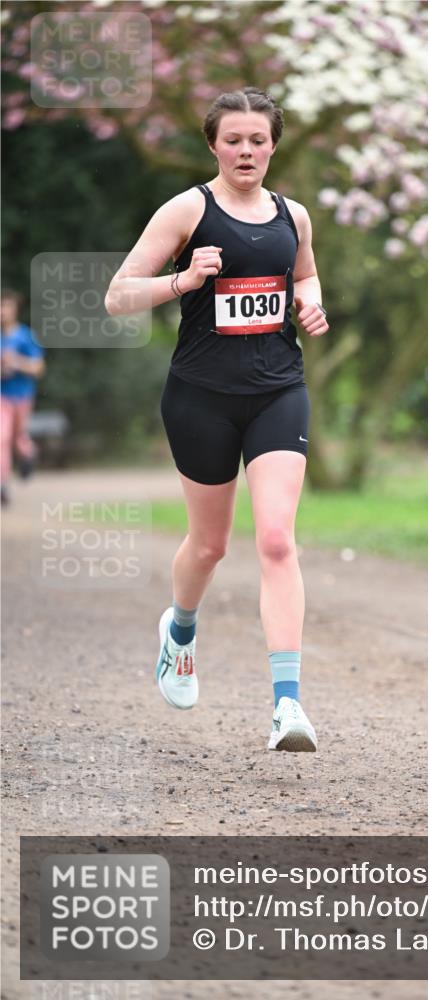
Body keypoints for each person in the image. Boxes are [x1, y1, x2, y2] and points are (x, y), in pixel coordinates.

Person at [105, 87, 328, 752]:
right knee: (208, 547)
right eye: (233, 140)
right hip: (200, 397)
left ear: (272, 146)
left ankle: (287, 706)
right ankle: (179, 630)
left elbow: (306, 278)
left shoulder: (295, 215)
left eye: (257, 140)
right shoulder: (187, 210)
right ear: (213, 145)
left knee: (277, 541)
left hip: (276, 392)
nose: (246, 151)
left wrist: (310, 307)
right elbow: (117, 296)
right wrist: (182, 281)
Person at [1, 289, 45, 505]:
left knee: (18, 437)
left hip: (23, 395)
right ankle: (2, 484)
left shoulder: (25, 336)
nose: (2, 312)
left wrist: (16, 362)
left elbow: (38, 368)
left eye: (5, 306)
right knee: (2, 437)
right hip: (2, 396)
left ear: (14, 309)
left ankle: (28, 455)